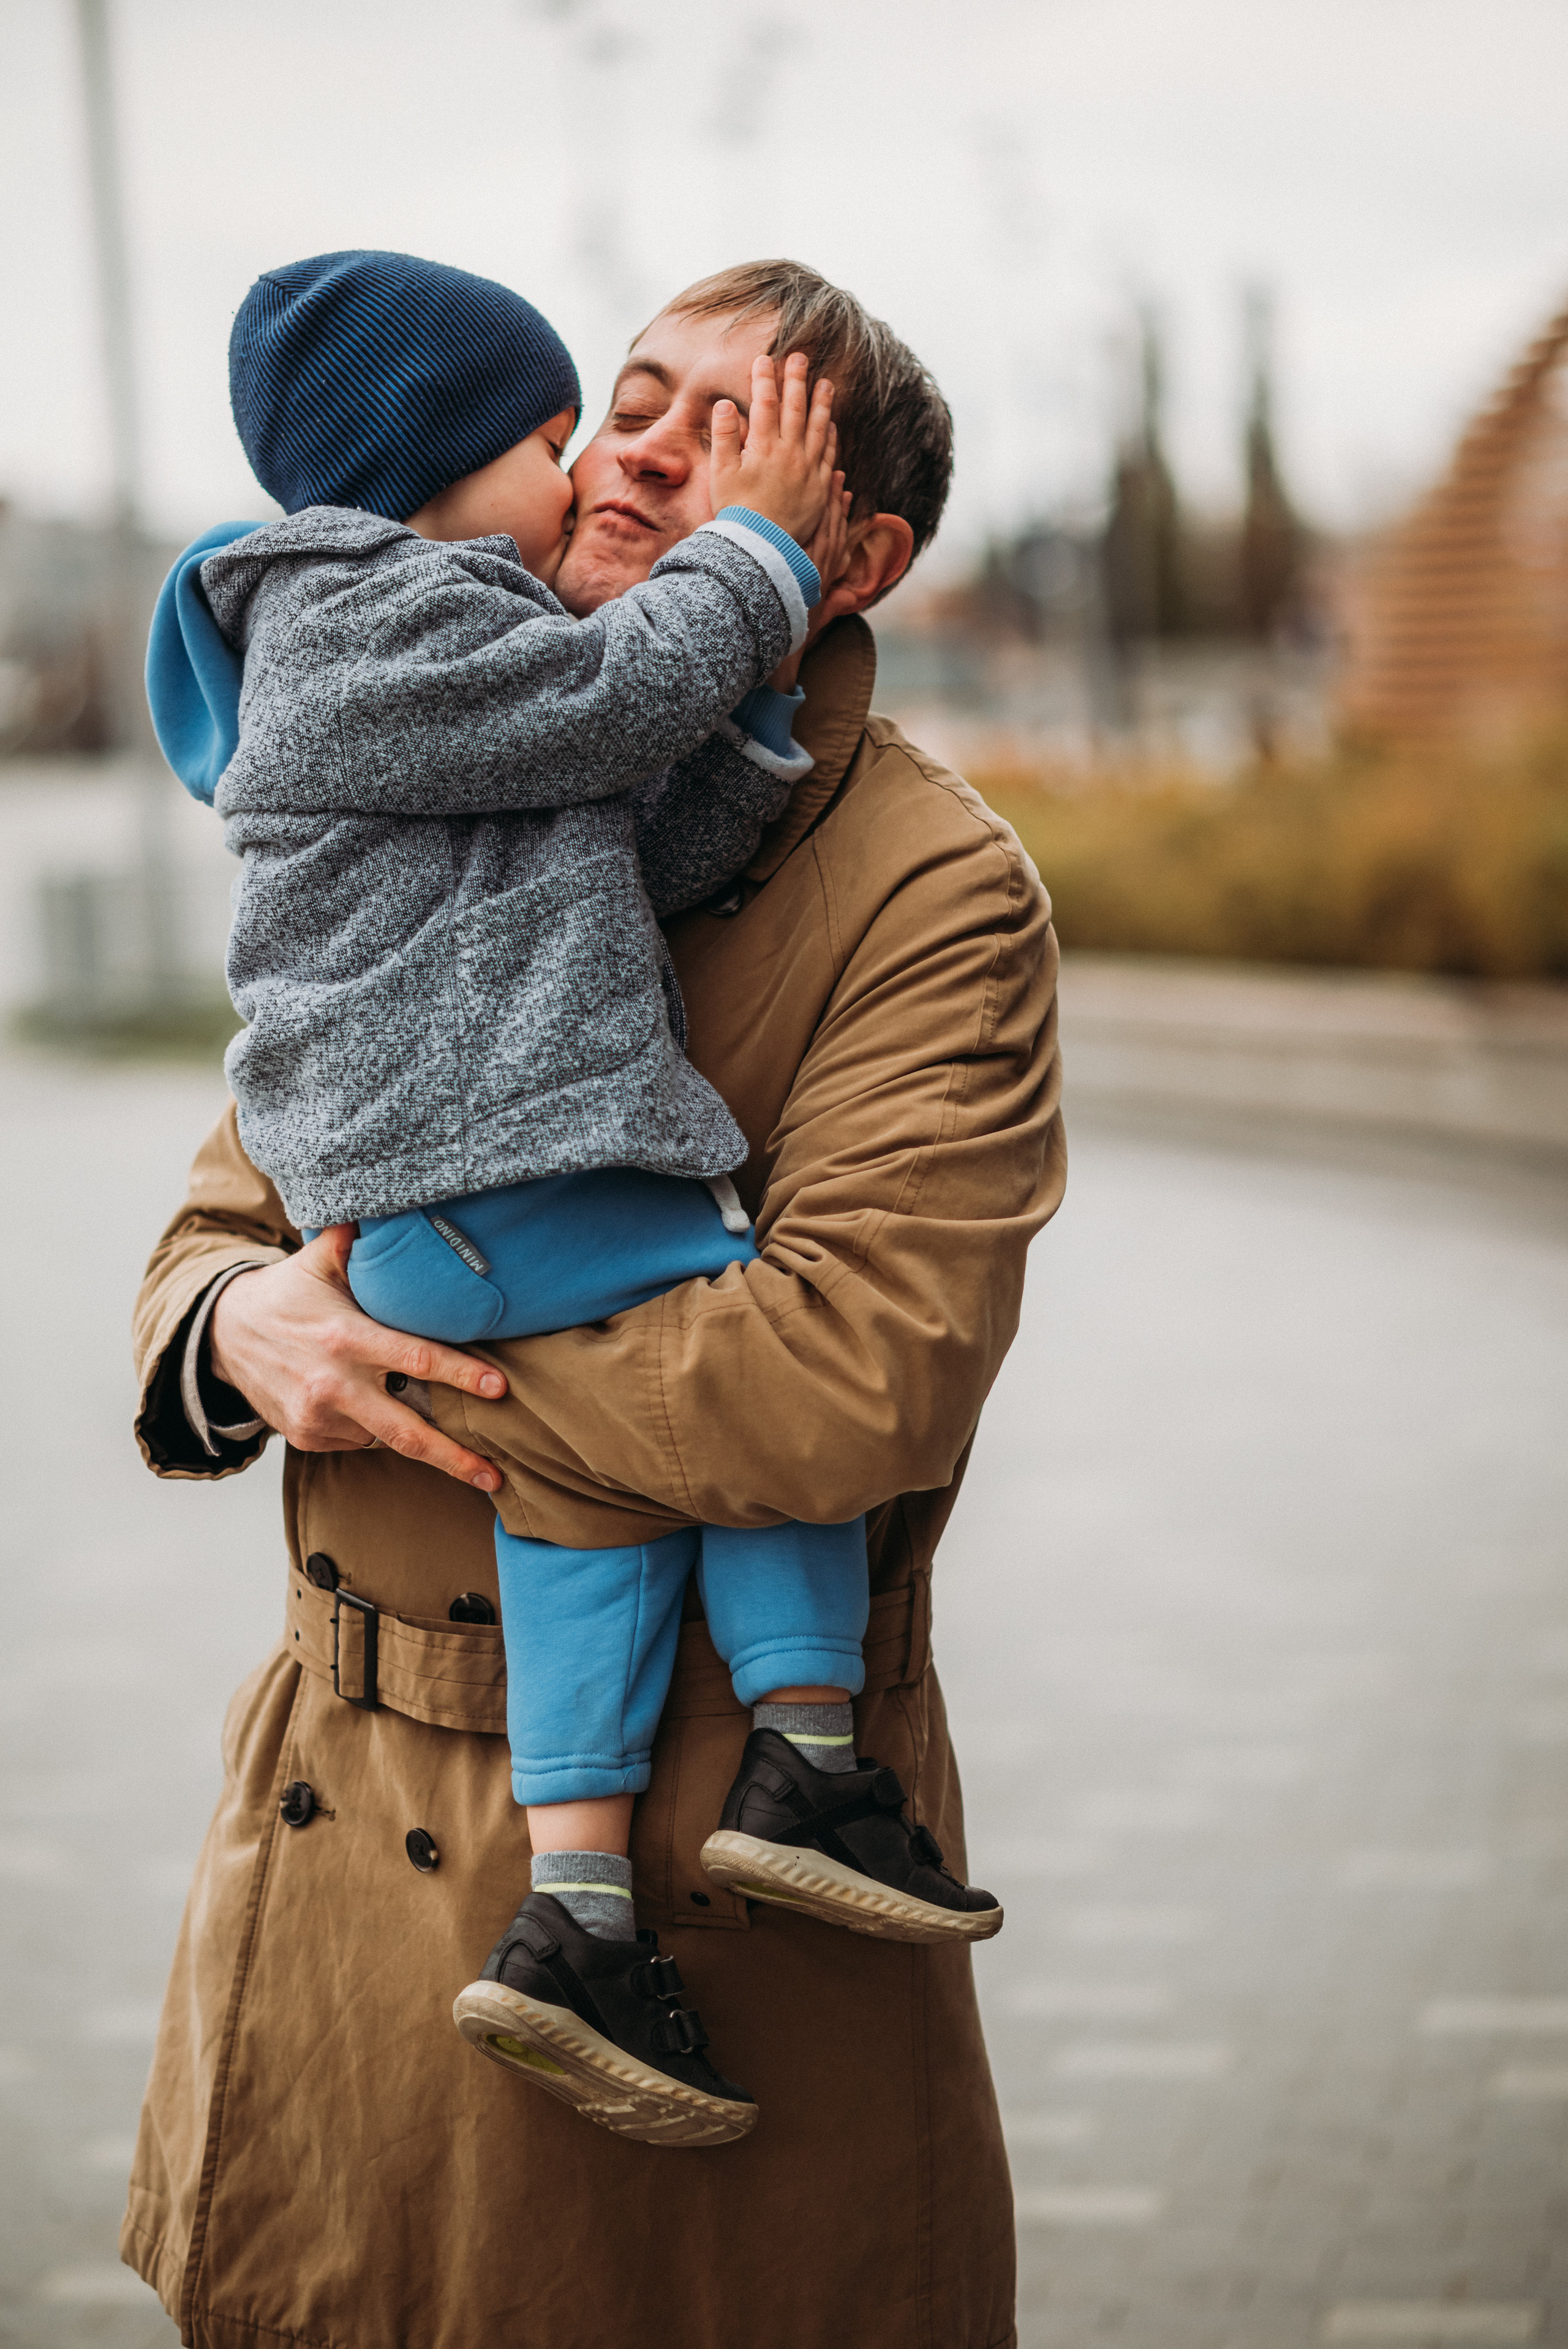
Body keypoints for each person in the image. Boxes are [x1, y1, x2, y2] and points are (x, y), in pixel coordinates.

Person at [126, 258, 1066, 2348]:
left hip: (720, 1911)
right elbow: (224, 1223)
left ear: (854, 547)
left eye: (719, 429)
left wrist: (399, 1365)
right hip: (351, 1881)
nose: (635, 449)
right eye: (618, 397)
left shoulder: (929, 887)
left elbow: (851, 1376)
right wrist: (238, 1333)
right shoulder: (443, 722)